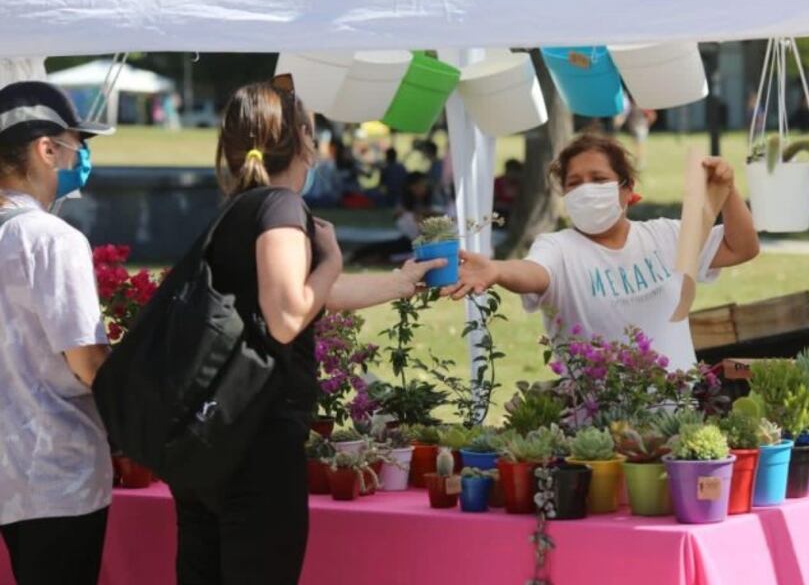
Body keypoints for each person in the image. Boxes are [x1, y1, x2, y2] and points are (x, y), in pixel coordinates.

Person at [171, 76, 443, 584]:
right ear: (300, 140)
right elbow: (289, 315)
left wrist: (401, 283)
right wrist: (334, 258)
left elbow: (301, 294)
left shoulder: (236, 212)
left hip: (207, 443)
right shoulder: (280, 208)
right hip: (256, 446)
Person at [447, 134, 760, 371]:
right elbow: (535, 273)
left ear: (626, 188)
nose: (586, 190)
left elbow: (741, 247)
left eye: (599, 179)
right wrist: (498, 270)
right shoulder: (557, 247)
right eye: (574, 183)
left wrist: (727, 189)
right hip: (598, 434)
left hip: (678, 422)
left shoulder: (666, 236)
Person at [0, 81, 115, 584]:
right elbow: (88, 363)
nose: (81, 155)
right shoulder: (52, 238)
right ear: (47, 149)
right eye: (76, 142)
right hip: (58, 475)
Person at [493, 158, 523, 225]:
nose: (513, 174)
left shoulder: (521, 185)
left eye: (516, 171)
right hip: (499, 215)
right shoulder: (498, 182)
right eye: (511, 171)